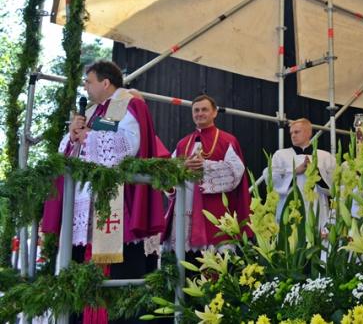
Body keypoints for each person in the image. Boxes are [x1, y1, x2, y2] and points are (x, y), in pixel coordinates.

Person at [41, 60, 165, 324]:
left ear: (105, 83)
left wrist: (87, 136)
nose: (85, 87)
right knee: (79, 279)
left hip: (114, 204)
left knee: (118, 282)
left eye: (89, 81)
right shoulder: (94, 111)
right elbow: (72, 153)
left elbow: (127, 144)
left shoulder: (123, 104)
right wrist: (72, 136)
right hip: (84, 204)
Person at [164, 94, 251, 252]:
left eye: (204, 109)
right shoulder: (182, 143)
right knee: (187, 260)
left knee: (216, 260)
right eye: (196, 110)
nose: (199, 113)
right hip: (186, 207)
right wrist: (182, 167)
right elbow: (167, 174)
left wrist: (205, 167)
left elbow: (235, 172)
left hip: (215, 209)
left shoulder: (227, 140)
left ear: (215, 112)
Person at [271, 119, 336, 230]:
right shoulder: (280, 155)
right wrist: (295, 172)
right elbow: (272, 180)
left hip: (318, 209)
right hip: (290, 209)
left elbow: (335, 184)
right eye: (291, 133)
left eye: (297, 132)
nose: (293, 136)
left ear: (308, 133)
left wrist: (316, 172)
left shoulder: (325, 156)